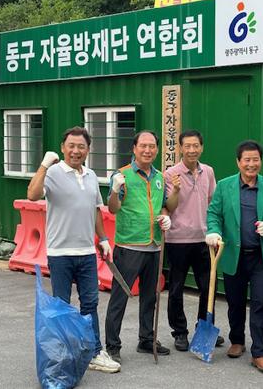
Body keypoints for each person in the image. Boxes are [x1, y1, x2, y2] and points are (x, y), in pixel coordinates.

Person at [27, 126, 120, 373]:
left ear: (88, 150)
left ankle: (94, 352)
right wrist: (44, 165)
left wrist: (103, 238)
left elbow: (95, 209)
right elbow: (33, 194)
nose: (76, 151)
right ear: (63, 148)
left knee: (90, 304)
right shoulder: (53, 172)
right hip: (60, 254)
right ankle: (62, 354)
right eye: (71, 146)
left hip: (87, 253)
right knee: (62, 306)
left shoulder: (91, 175)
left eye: (81, 146)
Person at [206, 140, 263, 373]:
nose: (251, 164)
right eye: (247, 160)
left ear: (261, 161)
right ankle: (237, 341)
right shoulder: (225, 186)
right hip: (234, 254)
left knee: (259, 303)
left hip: (261, 256)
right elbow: (214, 213)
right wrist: (214, 231)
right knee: (235, 302)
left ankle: (259, 353)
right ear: (238, 162)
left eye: (255, 159)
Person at [105, 130, 177, 365]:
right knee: (119, 298)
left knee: (150, 297)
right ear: (134, 148)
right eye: (143, 146)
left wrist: (166, 216)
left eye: (152, 146)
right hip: (129, 246)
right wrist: (114, 190)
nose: (148, 150)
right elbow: (113, 208)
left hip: (154, 246)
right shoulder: (122, 175)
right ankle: (112, 346)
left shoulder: (160, 177)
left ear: (157, 149)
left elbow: (165, 205)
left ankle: (146, 339)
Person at [164, 129, 224, 351]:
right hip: (177, 239)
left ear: (202, 147)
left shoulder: (208, 171)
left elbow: (213, 203)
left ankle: (204, 327)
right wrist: (176, 189)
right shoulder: (170, 173)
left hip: (204, 239)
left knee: (208, 286)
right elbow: (169, 206)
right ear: (180, 148)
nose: (192, 150)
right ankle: (180, 332)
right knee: (176, 288)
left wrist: (214, 231)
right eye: (187, 146)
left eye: (195, 145)